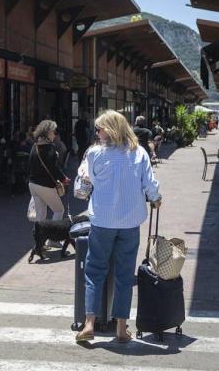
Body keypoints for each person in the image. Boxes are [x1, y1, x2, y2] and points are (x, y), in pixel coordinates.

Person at [74, 110, 161, 344]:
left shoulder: (94, 154)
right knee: (124, 275)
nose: (97, 133)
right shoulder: (139, 153)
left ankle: (89, 323)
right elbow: (150, 184)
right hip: (130, 221)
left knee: (94, 272)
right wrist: (156, 198)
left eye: (99, 129)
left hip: (102, 221)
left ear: (110, 130)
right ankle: (121, 327)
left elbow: (85, 183)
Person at [28, 120, 71, 222]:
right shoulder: (48, 147)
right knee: (59, 210)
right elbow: (54, 167)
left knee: (40, 215)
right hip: (45, 185)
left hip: (33, 184)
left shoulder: (35, 146)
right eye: (54, 132)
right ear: (48, 132)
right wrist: (63, 178)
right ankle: (53, 237)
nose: (55, 135)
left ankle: (39, 236)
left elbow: (29, 165)